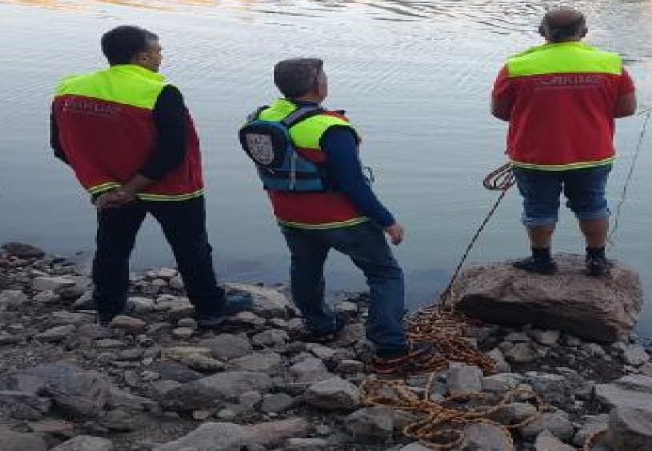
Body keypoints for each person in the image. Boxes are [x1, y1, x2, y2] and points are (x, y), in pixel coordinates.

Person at [239, 58, 444, 375]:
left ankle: (319, 324)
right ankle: (391, 346)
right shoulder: (330, 128)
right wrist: (387, 221)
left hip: (290, 215)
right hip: (341, 219)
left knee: (305, 267)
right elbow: (353, 184)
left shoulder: (262, 117)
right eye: (324, 76)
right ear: (318, 85)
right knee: (385, 274)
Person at [51, 25, 251, 327]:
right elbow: (173, 151)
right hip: (172, 189)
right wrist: (133, 188)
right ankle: (210, 309)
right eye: (158, 51)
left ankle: (108, 307)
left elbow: (62, 146)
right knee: (191, 248)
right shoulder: (160, 91)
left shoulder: (70, 89)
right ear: (142, 57)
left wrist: (106, 186)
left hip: (111, 187)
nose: (161, 57)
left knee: (112, 247)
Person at [491, 8, 638, 276]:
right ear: (583, 32)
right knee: (593, 204)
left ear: (541, 31)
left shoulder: (516, 67)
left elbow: (500, 112)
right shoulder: (611, 64)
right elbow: (626, 109)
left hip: (535, 155)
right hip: (593, 153)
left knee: (537, 207)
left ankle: (542, 260)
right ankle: (596, 260)